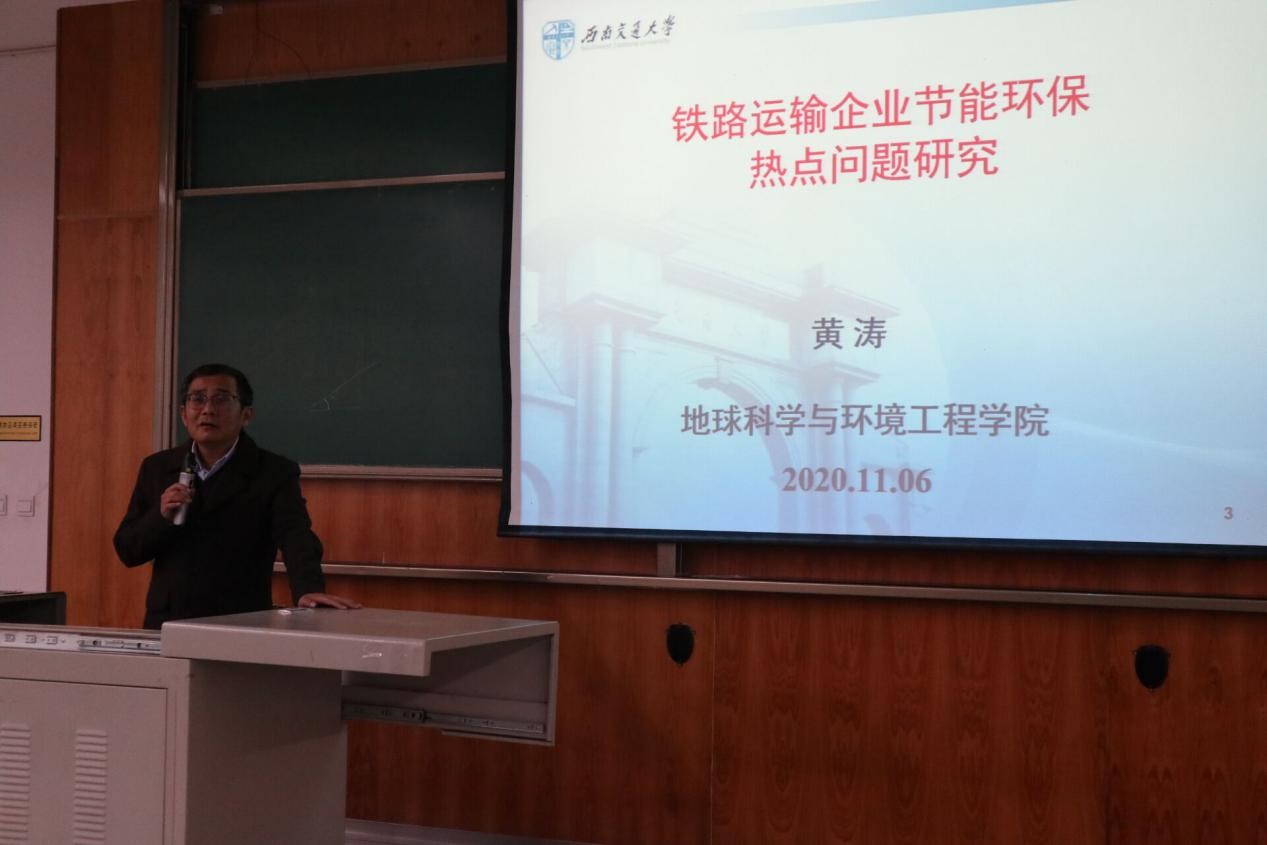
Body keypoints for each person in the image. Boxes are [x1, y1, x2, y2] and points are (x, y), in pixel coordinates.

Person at [114, 363, 360, 629]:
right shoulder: (158, 467)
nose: (208, 409)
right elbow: (128, 550)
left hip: (239, 622)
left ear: (246, 415)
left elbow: (295, 536)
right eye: (198, 399)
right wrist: (160, 516)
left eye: (221, 399)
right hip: (169, 623)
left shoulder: (273, 472)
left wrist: (308, 589)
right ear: (184, 414)